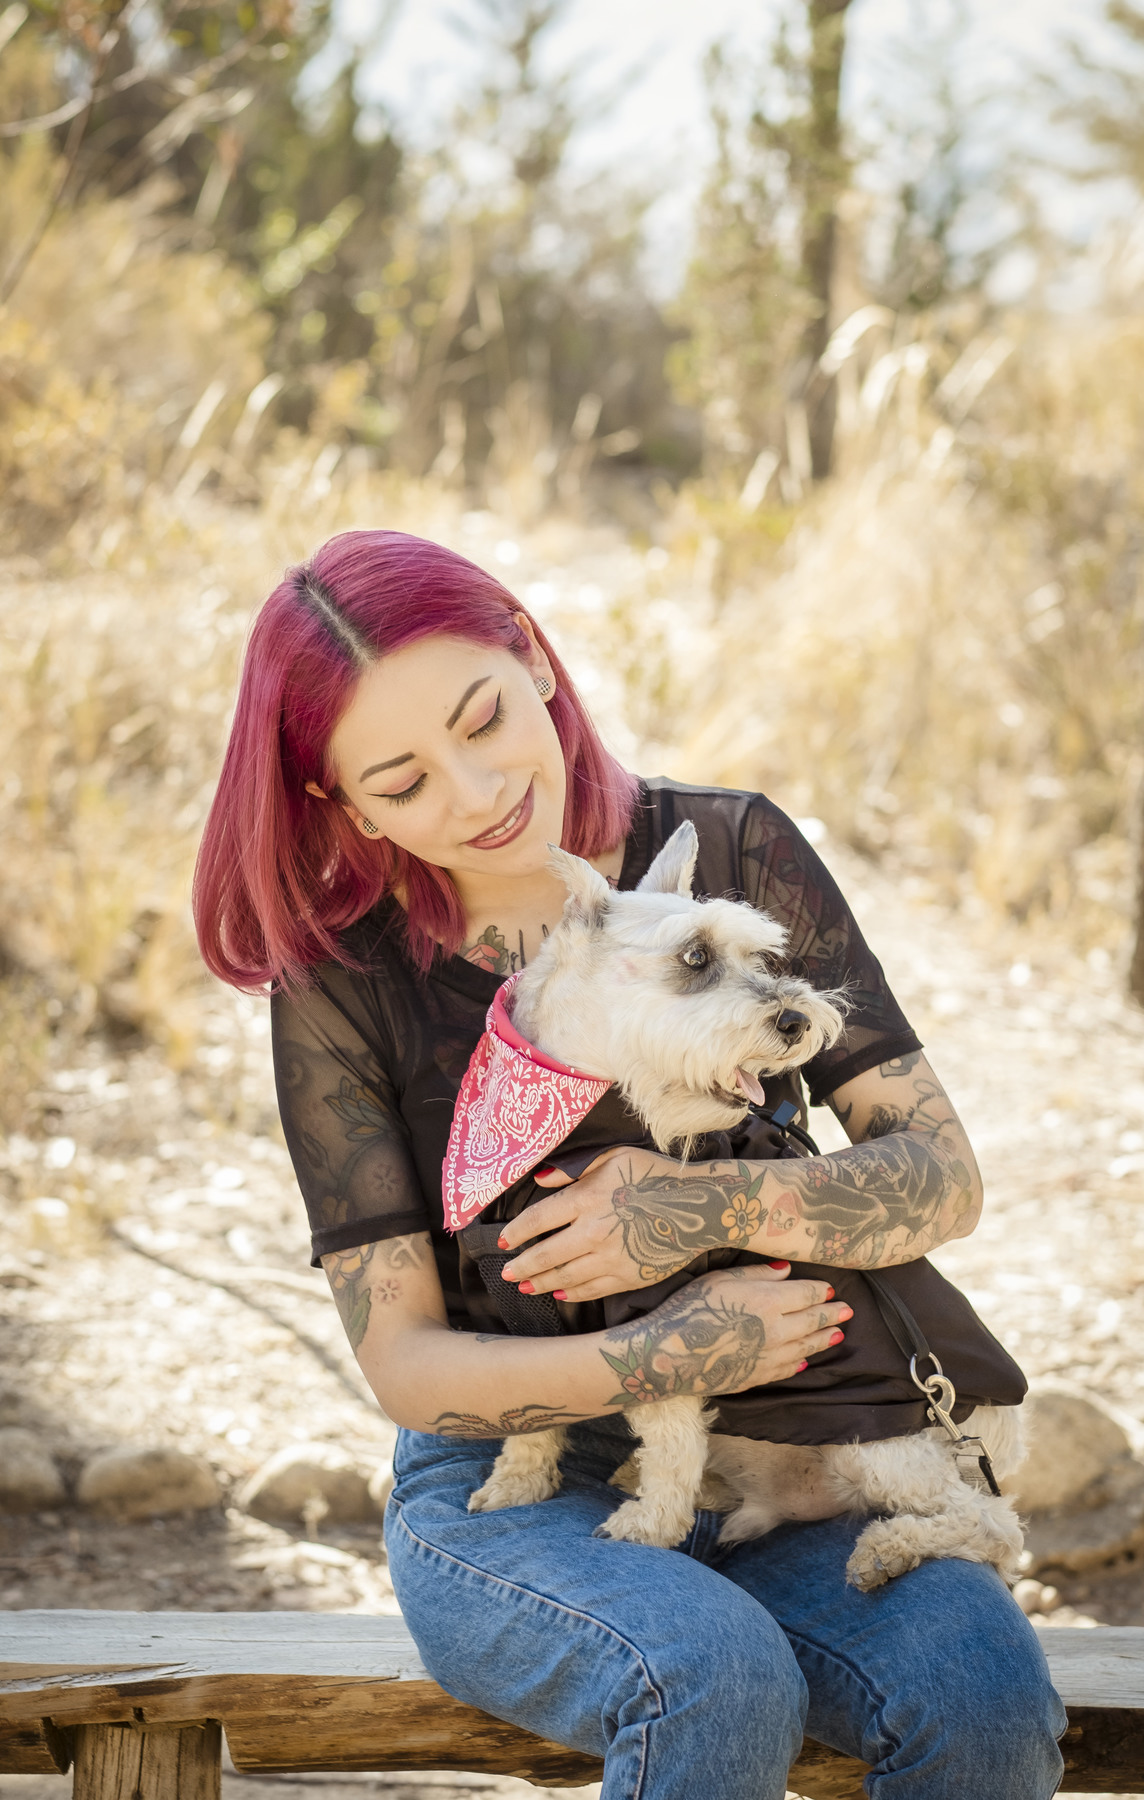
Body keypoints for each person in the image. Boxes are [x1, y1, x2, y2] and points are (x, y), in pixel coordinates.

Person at [194, 529, 1065, 1800]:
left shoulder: (731, 849)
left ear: (534, 659)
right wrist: (662, 1355)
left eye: (485, 718)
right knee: (708, 1672)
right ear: (346, 805)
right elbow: (406, 1362)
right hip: (516, 1484)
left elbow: (941, 1175)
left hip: (793, 1438)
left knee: (980, 1696)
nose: (478, 791)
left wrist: (695, 1207)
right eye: (404, 781)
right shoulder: (343, 979)